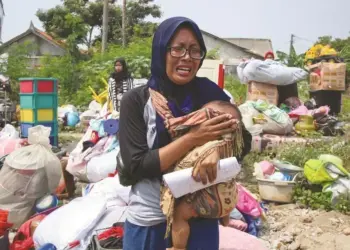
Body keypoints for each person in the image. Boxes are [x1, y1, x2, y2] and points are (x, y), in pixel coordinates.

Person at [118, 17, 252, 250]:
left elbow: (243, 142)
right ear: (161, 51)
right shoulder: (137, 101)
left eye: (194, 50)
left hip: (200, 214)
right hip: (151, 220)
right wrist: (194, 137)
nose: (187, 57)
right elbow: (137, 165)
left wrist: (217, 151)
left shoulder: (211, 94)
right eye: (178, 48)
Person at [153, 98, 244, 250]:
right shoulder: (231, 145)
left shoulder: (205, 144)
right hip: (228, 200)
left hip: (207, 201)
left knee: (179, 215)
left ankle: (178, 247)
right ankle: (226, 219)